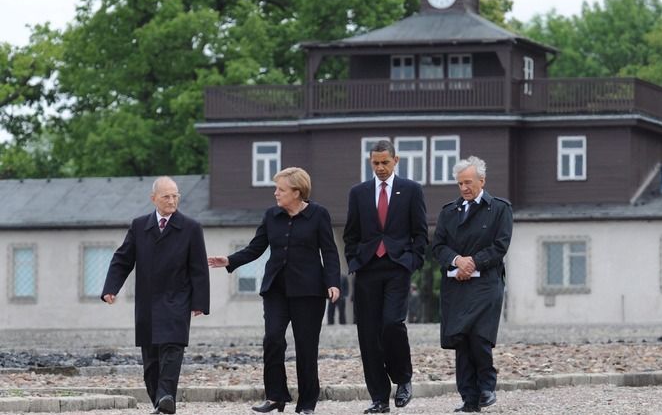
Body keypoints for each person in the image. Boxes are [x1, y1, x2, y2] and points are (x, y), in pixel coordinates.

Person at [208, 167, 340, 415]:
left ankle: (307, 404)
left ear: (297, 192)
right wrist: (229, 260)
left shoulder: (319, 215)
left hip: (309, 292)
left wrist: (333, 283)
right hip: (276, 290)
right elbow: (256, 248)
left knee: (306, 347)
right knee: (272, 340)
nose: (275, 193)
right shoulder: (271, 216)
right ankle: (276, 396)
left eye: (280, 189)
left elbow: (330, 252)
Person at [101, 176, 210, 415]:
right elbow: (123, 259)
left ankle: (166, 397)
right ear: (154, 199)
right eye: (166, 196)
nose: (172, 201)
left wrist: (200, 302)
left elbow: (199, 268)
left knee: (172, 350)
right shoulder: (140, 226)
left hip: (177, 300)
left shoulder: (191, 228)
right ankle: (159, 402)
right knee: (151, 362)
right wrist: (111, 287)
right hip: (148, 303)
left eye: (175, 196)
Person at [343, 140, 428, 414]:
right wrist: (355, 259)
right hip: (367, 269)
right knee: (368, 334)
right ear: (370, 162)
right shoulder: (358, 193)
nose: (380, 168)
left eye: (385, 163)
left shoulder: (412, 190)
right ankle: (379, 398)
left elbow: (420, 232)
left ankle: (402, 378)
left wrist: (412, 262)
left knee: (392, 324)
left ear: (396, 161)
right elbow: (351, 234)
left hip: (397, 268)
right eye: (375, 163)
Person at [431, 156, 513, 413]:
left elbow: (500, 245)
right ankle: (469, 398)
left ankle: (487, 387)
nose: (464, 188)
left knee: (479, 336)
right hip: (456, 284)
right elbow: (438, 246)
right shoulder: (448, 212)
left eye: (468, 182)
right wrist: (457, 261)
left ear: (482, 181)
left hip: (486, 283)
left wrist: (473, 263)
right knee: (461, 340)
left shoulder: (500, 209)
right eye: (459, 184)